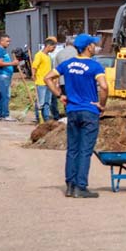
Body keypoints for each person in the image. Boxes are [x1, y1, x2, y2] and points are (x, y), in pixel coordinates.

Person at [44, 34, 108, 199]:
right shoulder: (95, 66)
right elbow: (104, 86)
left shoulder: (67, 64)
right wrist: (102, 104)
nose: (95, 47)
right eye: (93, 45)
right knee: (85, 150)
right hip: (89, 111)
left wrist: (60, 95)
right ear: (88, 47)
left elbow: (48, 78)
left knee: (72, 149)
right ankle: (81, 186)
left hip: (72, 111)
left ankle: (70, 186)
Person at [0, 34, 20, 122]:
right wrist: (13, 63)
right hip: (2, 75)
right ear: (2, 41)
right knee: (5, 96)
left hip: (3, 75)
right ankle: (5, 115)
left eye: (9, 41)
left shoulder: (3, 50)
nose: (8, 43)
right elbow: (0, 63)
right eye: (7, 41)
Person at [32, 37, 58, 123]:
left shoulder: (49, 57)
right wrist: (33, 75)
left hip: (49, 83)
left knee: (48, 102)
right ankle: (38, 117)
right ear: (48, 46)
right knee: (41, 102)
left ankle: (46, 118)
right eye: (53, 47)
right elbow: (34, 66)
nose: (54, 49)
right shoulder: (39, 55)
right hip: (41, 82)